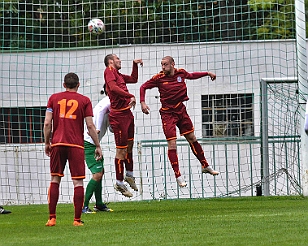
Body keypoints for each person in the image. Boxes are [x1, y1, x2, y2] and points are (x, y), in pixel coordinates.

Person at [140, 56, 219, 187]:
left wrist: (207, 73)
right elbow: (143, 87)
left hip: (181, 110)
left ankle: (205, 165)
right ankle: (178, 176)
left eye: (165, 64)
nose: (163, 67)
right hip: (167, 114)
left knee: (192, 138)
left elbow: (192, 75)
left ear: (172, 64)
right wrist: (143, 102)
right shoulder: (158, 78)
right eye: (161, 65)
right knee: (172, 144)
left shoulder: (180, 73)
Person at [44, 72, 102, 226]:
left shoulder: (53, 98)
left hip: (57, 143)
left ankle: (52, 218)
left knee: (55, 179)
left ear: (64, 85)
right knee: (78, 182)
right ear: (78, 85)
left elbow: (47, 124)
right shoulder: (84, 100)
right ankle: (76, 220)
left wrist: (47, 142)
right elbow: (90, 126)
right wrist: (97, 145)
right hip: (76, 145)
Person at [104, 54, 143, 198]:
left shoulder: (119, 75)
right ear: (110, 62)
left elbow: (134, 79)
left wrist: (135, 65)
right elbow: (113, 88)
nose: (120, 60)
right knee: (120, 151)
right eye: (117, 58)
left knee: (130, 146)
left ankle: (129, 175)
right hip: (118, 116)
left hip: (127, 114)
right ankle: (119, 182)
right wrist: (129, 95)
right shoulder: (109, 71)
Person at [82, 84, 113, 213]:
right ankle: (83, 206)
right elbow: (99, 113)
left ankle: (99, 204)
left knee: (100, 172)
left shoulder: (111, 104)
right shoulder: (107, 102)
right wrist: (97, 129)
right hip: (89, 143)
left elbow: (111, 128)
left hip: (93, 142)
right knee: (97, 174)